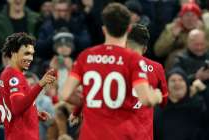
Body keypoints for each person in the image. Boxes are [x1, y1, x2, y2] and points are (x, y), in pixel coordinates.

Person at [62, 3, 163, 140]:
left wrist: (89, 102)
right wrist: (156, 95)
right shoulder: (133, 60)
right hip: (120, 135)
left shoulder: (86, 56)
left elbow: (65, 94)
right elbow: (145, 99)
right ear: (128, 30)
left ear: (104, 30)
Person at [0, 32, 56, 140]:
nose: (31, 58)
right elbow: (18, 108)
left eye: (32, 54)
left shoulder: (5, 75)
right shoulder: (15, 77)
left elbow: (0, 116)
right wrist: (41, 84)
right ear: (14, 53)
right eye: (26, 53)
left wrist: (33, 113)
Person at [125, 23, 168, 140]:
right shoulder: (157, 68)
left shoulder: (112, 65)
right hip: (142, 135)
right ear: (145, 49)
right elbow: (164, 101)